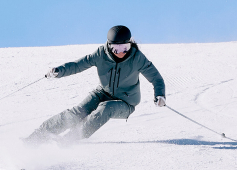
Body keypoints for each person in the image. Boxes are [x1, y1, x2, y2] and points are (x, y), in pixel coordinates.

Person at [25, 25, 166, 144]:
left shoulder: (137, 58)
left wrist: (160, 95)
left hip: (126, 102)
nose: (121, 53)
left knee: (106, 108)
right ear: (109, 46)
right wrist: (59, 71)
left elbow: (156, 78)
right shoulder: (101, 54)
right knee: (77, 113)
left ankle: (70, 139)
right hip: (103, 93)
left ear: (130, 44)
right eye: (116, 49)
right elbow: (79, 65)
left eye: (125, 47)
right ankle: (36, 137)